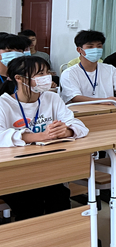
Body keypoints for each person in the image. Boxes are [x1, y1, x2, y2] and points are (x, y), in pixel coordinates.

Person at [0, 56, 89, 220]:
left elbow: (79, 125)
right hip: (13, 172)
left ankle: (60, 234)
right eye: (40, 73)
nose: (47, 77)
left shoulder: (51, 98)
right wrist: (40, 136)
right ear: (19, 78)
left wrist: (67, 131)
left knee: (60, 199)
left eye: (47, 72)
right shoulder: (4, 103)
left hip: (46, 168)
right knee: (30, 205)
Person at [60, 30, 116, 104]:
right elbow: (75, 97)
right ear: (79, 50)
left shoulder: (110, 69)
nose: (96, 49)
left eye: (99, 46)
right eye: (90, 46)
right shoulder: (69, 73)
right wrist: (103, 101)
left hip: (108, 110)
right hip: (82, 112)